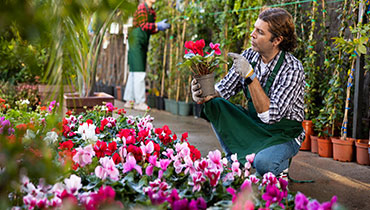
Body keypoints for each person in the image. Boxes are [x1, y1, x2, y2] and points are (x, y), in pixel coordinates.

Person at [191, 7, 305, 177]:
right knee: (215, 105)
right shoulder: (249, 56)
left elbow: (270, 116)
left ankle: (280, 164)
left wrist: (250, 76)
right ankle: (233, 160)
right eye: (254, 28)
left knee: (263, 164)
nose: (252, 34)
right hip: (255, 125)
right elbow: (223, 91)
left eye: (260, 32)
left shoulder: (292, 69)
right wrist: (202, 94)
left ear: (277, 40)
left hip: (283, 132)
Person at [124, 0, 170, 111]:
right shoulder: (141, 8)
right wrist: (156, 25)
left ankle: (129, 100)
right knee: (139, 71)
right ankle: (140, 102)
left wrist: (158, 28)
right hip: (136, 40)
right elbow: (143, 25)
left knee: (134, 71)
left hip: (142, 41)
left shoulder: (152, 11)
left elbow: (149, 29)